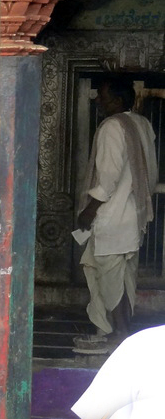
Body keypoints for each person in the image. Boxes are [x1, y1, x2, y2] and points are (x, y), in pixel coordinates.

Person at [74, 79, 157, 355]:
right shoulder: (143, 124)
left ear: (119, 101)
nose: (98, 101)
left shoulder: (112, 126)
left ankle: (119, 334)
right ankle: (111, 331)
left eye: (103, 97)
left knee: (111, 279)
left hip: (111, 215)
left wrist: (90, 209)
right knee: (122, 277)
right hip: (133, 215)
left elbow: (108, 176)